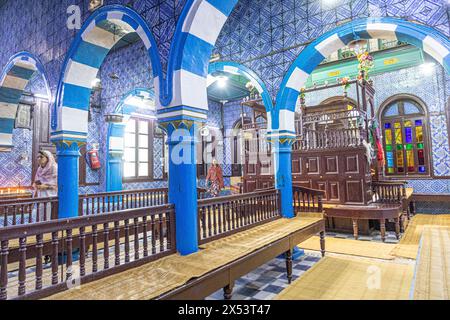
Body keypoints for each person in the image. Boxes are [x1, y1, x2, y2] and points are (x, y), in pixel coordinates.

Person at [33, 150, 58, 222]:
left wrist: (46, 186)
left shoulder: (54, 168)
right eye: (38, 157)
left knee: (49, 214)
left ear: (48, 158)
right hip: (41, 194)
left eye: (41, 157)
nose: (39, 159)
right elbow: (37, 180)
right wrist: (37, 185)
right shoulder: (40, 168)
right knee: (41, 214)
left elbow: (58, 184)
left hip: (51, 195)